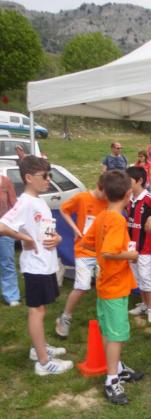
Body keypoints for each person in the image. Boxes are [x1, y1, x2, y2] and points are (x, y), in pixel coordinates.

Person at [0, 156, 72, 376]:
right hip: (35, 266)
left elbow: (45, 229)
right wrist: (25, 238)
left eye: (49, 175)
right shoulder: (24, 202)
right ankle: (43, 362)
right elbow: (3, 225)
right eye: (45, 176)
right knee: (36, 311)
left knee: (42, 309)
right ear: (29, 178)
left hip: (46, 264)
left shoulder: (39, 200)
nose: (48, 180)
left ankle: (37, 348)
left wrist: (58, 238)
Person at [81, 170, 144, 405]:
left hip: (104, 284)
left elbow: (88, 244)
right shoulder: (117, 220)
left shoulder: (101, 216)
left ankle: (117, 367)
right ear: (129, 193)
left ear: (104, 192)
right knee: (116, 334)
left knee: (108, 330)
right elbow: (108, 251)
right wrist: (131, 255)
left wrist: (102, 256)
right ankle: (111, 380)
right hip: (114, 286)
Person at [55, 177, 108, 338]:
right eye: (105, 193)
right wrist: (74, 229)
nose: (107, 197)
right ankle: (65, 318)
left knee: (104, 287)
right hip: (83, 250)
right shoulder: (83, 197)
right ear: (99, 186)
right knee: (82, 286)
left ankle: (105, 320)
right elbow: (64, 209)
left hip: (102, 251)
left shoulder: (109, 201)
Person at [126, 166, 151, 323]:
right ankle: (144, 304)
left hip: (145, 247)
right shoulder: (129, 198)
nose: (127, 184)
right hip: (131, 247)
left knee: (146, 277)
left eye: (129, 181)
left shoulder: (149, 197)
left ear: (140, 181)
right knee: (138, 277)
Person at [0, 173, 20, 306]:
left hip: (4, 230)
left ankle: (11, 295)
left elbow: (14, 206)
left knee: (7, 263)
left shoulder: (5, 181)